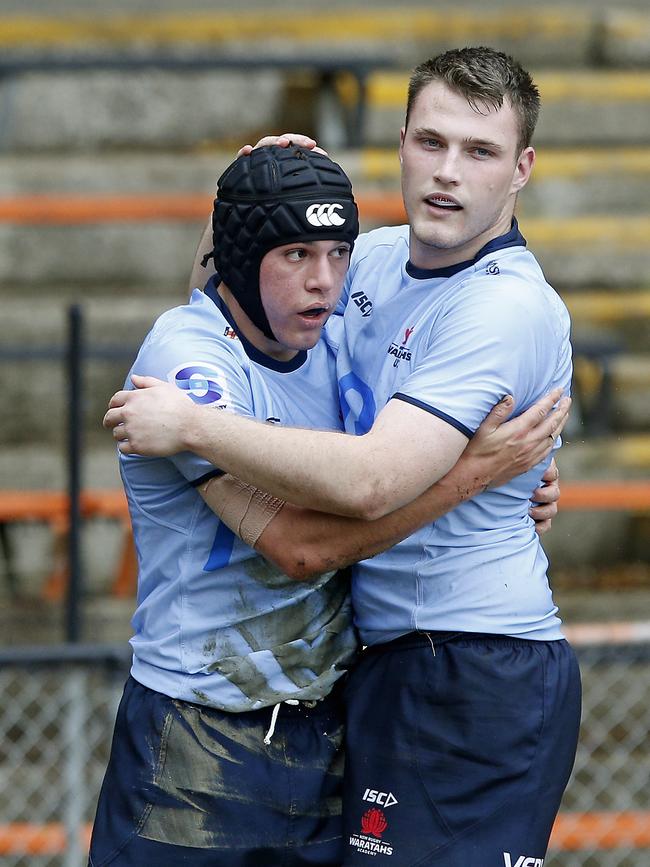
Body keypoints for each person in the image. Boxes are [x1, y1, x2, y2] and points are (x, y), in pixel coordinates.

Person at [103, 45, 579, 866]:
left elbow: (368, 485)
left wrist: (485, 477)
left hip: (468, 665)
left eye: (479, 151)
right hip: (330, 687)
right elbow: (230, 294)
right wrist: (255, 186)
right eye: (430, 142)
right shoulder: (376, 259)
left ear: (521, 168)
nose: (448, 173)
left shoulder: (503, 305)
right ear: (398, 141)